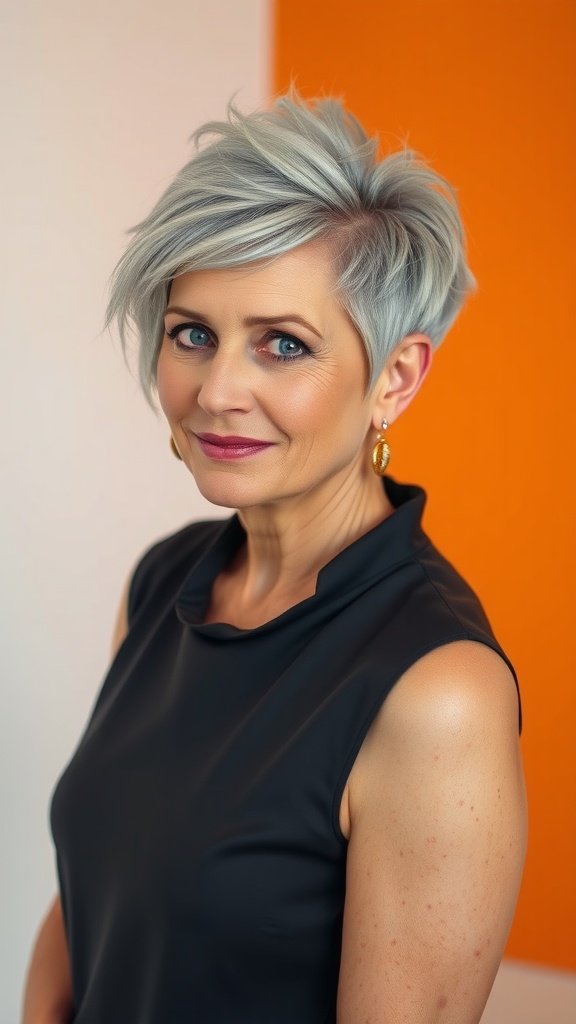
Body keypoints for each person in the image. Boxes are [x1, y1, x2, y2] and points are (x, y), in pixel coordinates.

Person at [22, 92, 527, 1024]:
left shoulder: (437, 691)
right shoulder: (164, 581)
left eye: (282, 345)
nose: (217, 391)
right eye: (193, 334)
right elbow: (101, 897)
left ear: (395, 377)